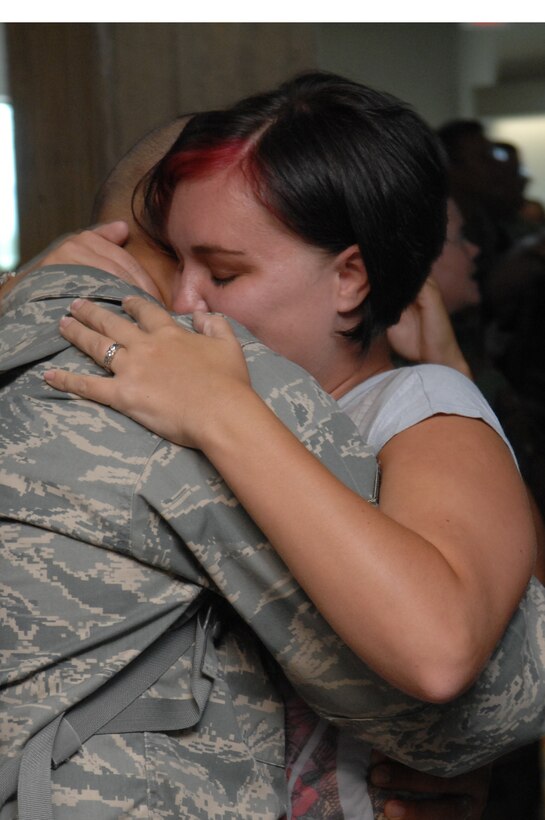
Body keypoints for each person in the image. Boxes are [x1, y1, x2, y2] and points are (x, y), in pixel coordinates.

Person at [35, 72, 545, 813]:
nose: (183, 301)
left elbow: (438, 651)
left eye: (225, 271)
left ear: (349, 279)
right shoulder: (177, 393)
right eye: (175, 263)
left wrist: (224, 412)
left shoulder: (418, 407)